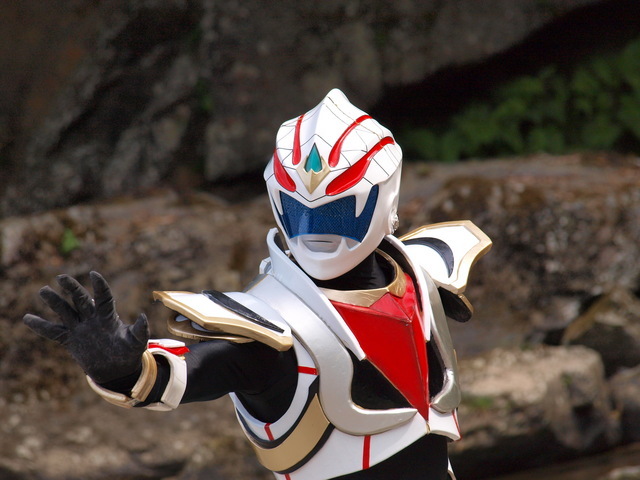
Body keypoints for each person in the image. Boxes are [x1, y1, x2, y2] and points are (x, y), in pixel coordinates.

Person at [24, 89, 491, 480]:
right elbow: (192, 367)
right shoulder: (270, 329)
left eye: (335, 211)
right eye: (301, 212)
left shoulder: (424, 272)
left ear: (385, 199)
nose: (316, 231)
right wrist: (123, 371)